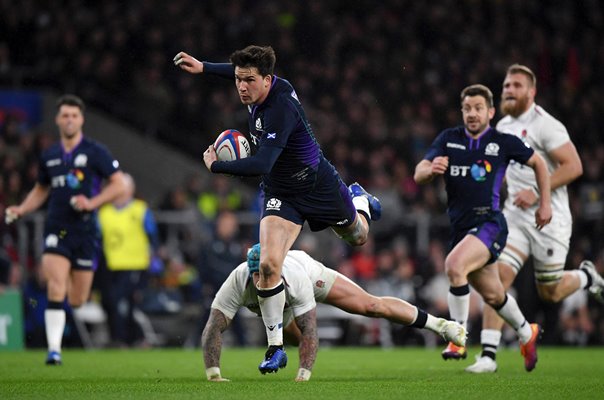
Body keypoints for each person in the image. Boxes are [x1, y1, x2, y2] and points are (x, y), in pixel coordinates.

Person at [174, 45, 381, 373]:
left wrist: (215, 167)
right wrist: (205, 67)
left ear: (268, 81)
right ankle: (275, 349)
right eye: (239, 80)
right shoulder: (259, 86)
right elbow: (240, 72)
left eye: (249, 81)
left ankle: (360, 201)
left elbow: (261, 162)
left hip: (316, 184)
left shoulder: (280, 108)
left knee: (357, 235)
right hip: (280, 192)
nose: (242, 86)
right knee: (269, 264)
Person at [465, 65, 604, 373]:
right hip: (514, 215)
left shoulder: (546, 126)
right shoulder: (503, 124)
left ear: (531, 91)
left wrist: (537, 192)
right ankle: (488, 355)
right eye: (506, 85)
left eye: (515, 85)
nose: (508, 90)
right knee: (495, 277)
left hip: (548, 217)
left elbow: (574, 166)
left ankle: (587, 278)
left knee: (550, 291)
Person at [413, 84, 552, 372]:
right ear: (461, 111)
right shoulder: (448, 139)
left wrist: (544, 204)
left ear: (490, 111)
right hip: (462, 230)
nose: (472, 114)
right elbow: (419, 173)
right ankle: (527, 333)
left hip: (490, 224)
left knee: (453, 265)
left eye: (478, 108)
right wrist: (430, 169)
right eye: (467, 108)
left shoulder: (502, 142)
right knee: (493, 295)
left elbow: (539, 163)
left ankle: (458, 336)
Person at [201, 244, 466, 382]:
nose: (262, 279)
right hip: (279, 308)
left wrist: (302, 376)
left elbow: (311, 329)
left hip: (308, 274)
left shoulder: (294, 277)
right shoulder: (238, 280)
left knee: (370, 306)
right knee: (290, 341)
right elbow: (214, 325)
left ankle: (441, 326)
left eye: (267, 273)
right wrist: (214, 374)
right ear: (249, 271)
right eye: (257, 274)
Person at [4, 94, 126, 364]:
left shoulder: (96, 152)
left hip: (85, 233)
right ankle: (54, 350)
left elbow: (119, 185)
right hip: (56, 228)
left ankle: (66, 316)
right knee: (55, 285)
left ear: (81, 119)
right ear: (58, 120)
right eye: (65, 115)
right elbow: (41, 189)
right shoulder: (49, 156)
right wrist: (22, 209)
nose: (69, 120)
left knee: (78, 299)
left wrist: (91, 202)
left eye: (74, 115)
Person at [98, 173, 162, 347]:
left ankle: (126, 339)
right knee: (110, 302)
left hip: (135, 266)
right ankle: (122, 339)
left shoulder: (140, 210)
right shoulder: (104, 213)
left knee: (125, 303)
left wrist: (153, 260)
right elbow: (97, 239)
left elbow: (153, 238)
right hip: (111, 266)